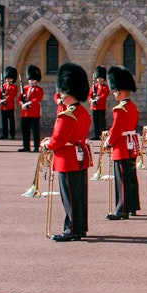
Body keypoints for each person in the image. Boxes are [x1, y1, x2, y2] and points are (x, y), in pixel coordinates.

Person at [43, 62, 92, 242]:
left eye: (63, 94)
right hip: (80, 158)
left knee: (69, 196)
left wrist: (47, 144)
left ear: (68, 94)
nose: (61, 97)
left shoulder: (66, 115)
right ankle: (80, 228)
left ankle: (71, 229)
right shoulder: (83, 113)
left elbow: (58, 140)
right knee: (79, 195)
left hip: (67, 159)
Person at [104, 66, 141, 220]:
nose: (114, 94)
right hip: (130, 146)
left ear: (120, 91)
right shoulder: (132, 107)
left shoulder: (120, 109)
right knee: (131, 177)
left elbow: (116, 130)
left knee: (122, 180)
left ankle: (122, 208)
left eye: (115, 91)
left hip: (121, 147)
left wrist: (108, 142)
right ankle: (132, 206)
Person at [19, 65, 44, 152]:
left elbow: (37, 99)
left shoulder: (39, 90)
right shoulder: (25, 88)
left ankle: (36, 146)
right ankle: (26, 146)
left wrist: (29, 103)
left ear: (36, 80)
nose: (31, 81)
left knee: (35, 131)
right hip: (24, 112)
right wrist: (22, 104)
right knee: (25, 130)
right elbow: (20, 98)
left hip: (34, 112)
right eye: (30, 80)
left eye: (33, 80)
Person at [0, 66, 19, 140]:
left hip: (10, 106)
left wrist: (5, 100)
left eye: (9, 78)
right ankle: (4, 134)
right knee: (4, 121)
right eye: (7, 78)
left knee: (11, 121)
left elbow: (11, 96)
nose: (8, 80)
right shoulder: (3, 86)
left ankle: (12, 134)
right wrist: (0, 100)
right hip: (2, 106)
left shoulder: (14, 87)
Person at [90, 66, 109, 138]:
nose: (99, 79)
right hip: (94, 107)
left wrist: (97, 99)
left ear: (103, 78)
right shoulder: (94, 86)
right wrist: (91, 100)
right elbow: (90, 94)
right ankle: (96, 135)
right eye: (98, 78)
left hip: (101, 107)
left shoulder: (105, 87)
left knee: (102, 122)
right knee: (95, 122)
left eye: (100, 78)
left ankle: (103, 135)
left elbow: (104, 96)